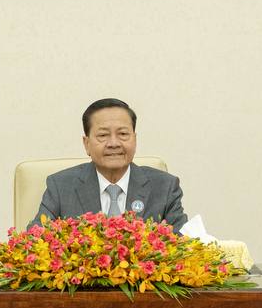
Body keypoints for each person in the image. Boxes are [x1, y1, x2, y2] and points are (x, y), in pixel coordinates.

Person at [30, 98, 187, 230]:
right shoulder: (61, 187)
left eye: (123, 134)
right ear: (86, 144)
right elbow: (33, 241)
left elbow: (185, 245)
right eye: (103, 135)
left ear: (135, 139)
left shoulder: (165, 187)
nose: (113, 143)